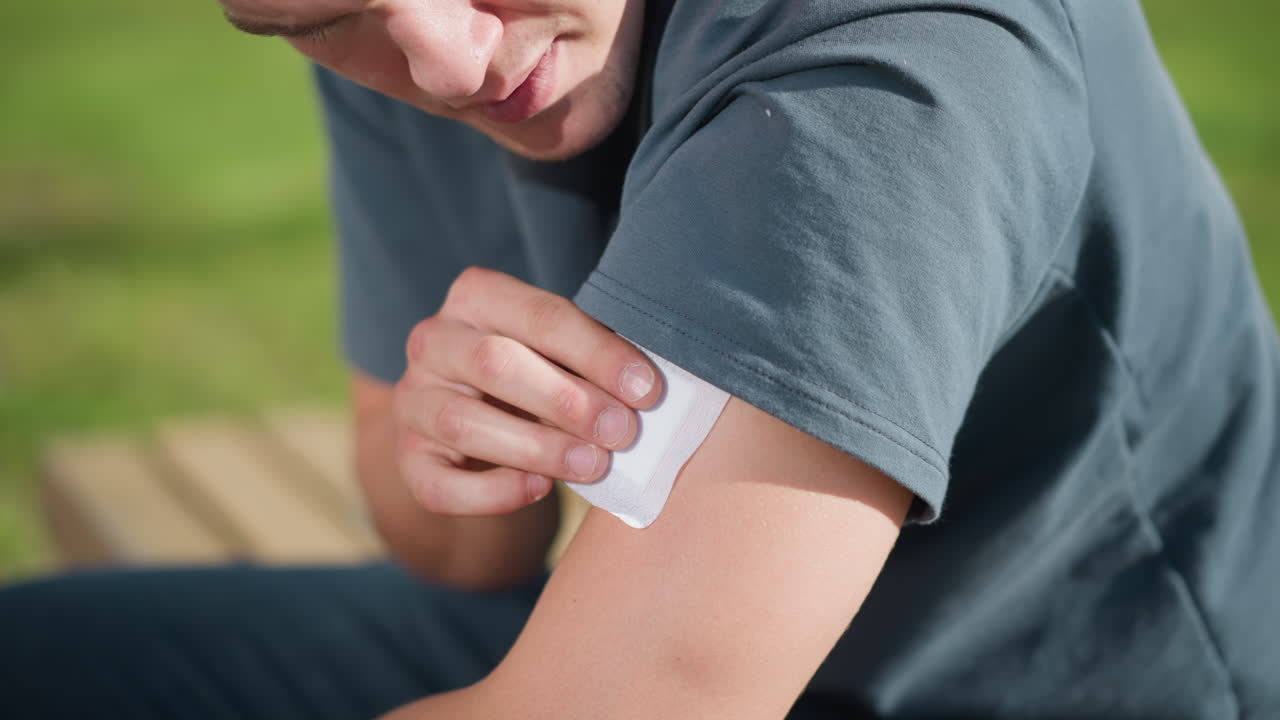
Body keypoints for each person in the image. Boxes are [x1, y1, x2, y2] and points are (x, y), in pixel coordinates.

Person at [3, 0, 1277, 717]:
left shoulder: (894, 62)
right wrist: (454, 447)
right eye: (323, 20)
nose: (445, 62)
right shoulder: (410, 45)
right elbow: (453, 560)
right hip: (613, 637)